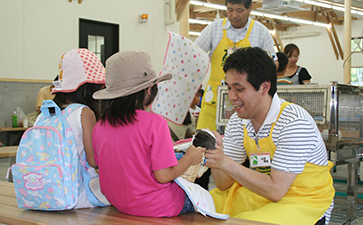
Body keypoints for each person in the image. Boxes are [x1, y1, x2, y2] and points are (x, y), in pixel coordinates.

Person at [204, 47, 335, 225]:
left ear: (265, 87)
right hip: (262, 194)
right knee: (200, 209)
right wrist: (216, 154)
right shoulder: (237, 121)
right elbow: (223, 184)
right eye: (228, 88)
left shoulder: (293, 122)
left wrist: (224, 162)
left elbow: (276, 190)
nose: (232, 97)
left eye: (239, 89)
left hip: (302, 201)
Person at [91, 50, 205, 217]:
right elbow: (164, 176)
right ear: (150, 90)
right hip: (158, 206)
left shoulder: (100, 125)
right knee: (204, 197)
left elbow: (103, 165)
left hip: (119, 203)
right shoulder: (155, 124)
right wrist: (190, 158)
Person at [195, 0, 277, 131]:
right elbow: (194, 55)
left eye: (239, 10)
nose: (234, 15)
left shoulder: (261, 32)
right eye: (230, 10)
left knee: (243, 142)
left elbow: (273, 64)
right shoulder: (213, 29)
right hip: (214, 99)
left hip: (247, 100)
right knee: (205, 142)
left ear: (250, 8)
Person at [50, 48, 107, 208]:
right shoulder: (83, 112)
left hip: (50, 191)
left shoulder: (48, 112)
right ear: (88, 87)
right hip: (78, 196)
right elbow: (93, 160)